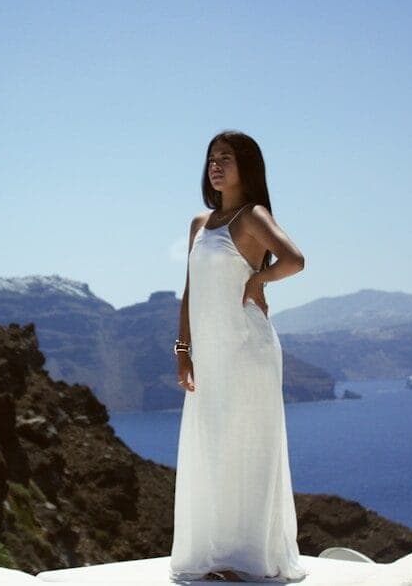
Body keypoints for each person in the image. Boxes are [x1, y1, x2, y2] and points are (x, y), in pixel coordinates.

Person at [169, 130, 308, 583]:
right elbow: (190, 291)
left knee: (246, 447)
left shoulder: (253, 217)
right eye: (211, 158)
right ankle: (215, 554)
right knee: (212, 445)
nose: (215, 165)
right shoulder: (199, 224)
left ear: (246, 167)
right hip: (210, 354)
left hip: (248, 352)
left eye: (225, 158)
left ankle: (247, 557)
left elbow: (294, 259)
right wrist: (183, 350)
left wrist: (258, 280)